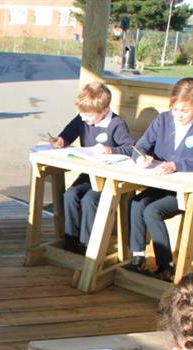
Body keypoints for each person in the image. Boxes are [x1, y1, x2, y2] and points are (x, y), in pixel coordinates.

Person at [125, 78, 193, 281]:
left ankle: (165, 266)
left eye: (185, 111)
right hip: (161, 184)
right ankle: (137, 257)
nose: (179, 115)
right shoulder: (163, 120)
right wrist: (141, 157)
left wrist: (177, 165)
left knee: (152, 211)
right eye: (175, 109)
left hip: (186, 190)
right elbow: (139, 147)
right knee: (136, 203)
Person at [49, 82, 134, 254]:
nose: (83, 119)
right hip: (90, 174)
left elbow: (130, 149)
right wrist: (61, 141)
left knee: (89, 200)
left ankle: (87, 244)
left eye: (88, 116)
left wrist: (110, 150)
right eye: (81, 114)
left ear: (103, 110)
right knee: (70, 195)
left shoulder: (116, 124)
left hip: (111, 178)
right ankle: (71, 241)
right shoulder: (82, 119)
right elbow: (68, 133)